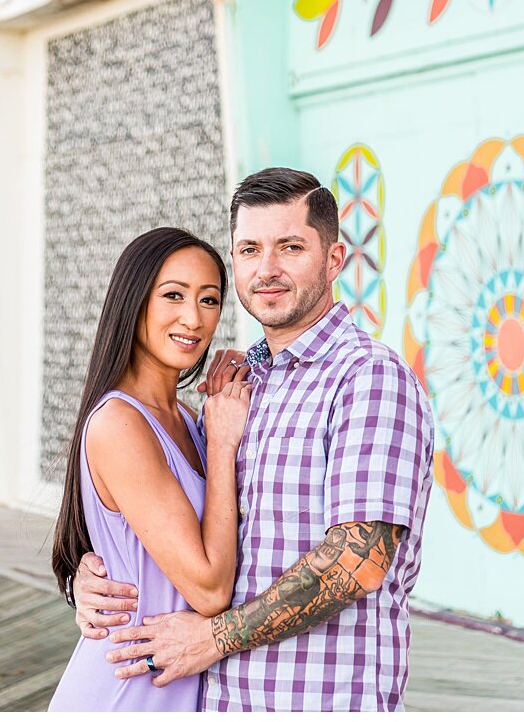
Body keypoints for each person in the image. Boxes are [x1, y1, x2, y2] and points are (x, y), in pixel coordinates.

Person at [69, 168, 435, 711]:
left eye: (290, 246)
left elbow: (358, 560)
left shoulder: (367, 378)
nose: (267, 269)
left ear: (334, 259)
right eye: (249, 249)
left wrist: (213, 638)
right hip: (211, 696)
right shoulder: (236, 389)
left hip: (320, 699)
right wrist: (95, 575)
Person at [47, 228, 250, 711]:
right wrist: (222, 443)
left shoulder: (186, 417)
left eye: (209, 300)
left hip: (172, 690)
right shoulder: (121, 424)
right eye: (173, 296)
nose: (193, 318)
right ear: (134, 301)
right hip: (125, 691)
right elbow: (209, 588)